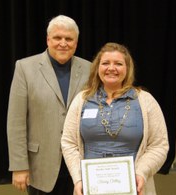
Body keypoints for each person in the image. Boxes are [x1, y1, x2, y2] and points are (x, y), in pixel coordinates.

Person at [61, 42, 169, 195]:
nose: (111, 68)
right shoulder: (82, 100)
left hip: (133, 188)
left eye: (118, 63)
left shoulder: (146, 101)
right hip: (90, 188)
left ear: (127, 69)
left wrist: (141, 173)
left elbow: (159, 145)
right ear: (98, 68)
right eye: (105, 63)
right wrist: (78, 178)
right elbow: (69, 142)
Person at [7, 15, 91, 195]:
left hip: (80, 164)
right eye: (57, 38)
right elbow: (16, 122)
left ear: (76, 43)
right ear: (48, 40)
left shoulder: (90, 69)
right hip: (41, 166)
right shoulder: (25, 68)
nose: (63, 43)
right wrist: (19, 166)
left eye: (69, 39)